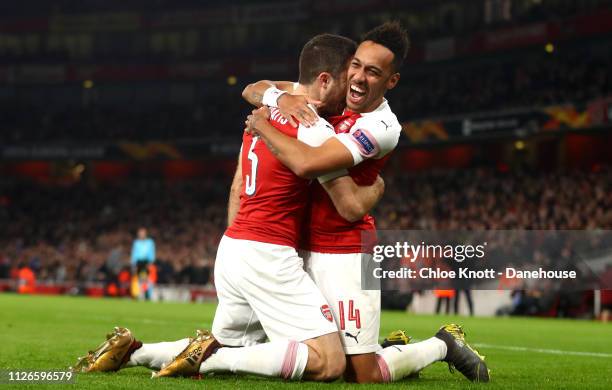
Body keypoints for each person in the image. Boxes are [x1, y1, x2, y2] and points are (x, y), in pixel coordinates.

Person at [72, 34, 384, 382]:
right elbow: (350, 203)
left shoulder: (262, 115)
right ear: (325, 80)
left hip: (235, 245)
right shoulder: (314, 128)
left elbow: (237, 186)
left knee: (226, 343)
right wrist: (377, 184)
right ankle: (206, 363)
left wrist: (239, 250)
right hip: (268, 252)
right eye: (348, 79)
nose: (353, 88)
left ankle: (134, 351)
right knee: (329, 362)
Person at [242, 21, 489, 383]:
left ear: (391, 81)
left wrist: (263, 126)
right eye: (355, 65)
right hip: (303, 247)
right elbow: (252, 88)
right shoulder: (336, 93)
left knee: (364, 376)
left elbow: (332, 188)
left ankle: (442, 344)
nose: (358, 77)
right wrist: (282, 98)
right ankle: (387, 346)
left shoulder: (382, 126)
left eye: (372, 72)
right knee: (320, 359)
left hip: (350, 251)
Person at [130, 227, 155, 300]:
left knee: (145, 278)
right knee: (137, 278)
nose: (141, 234)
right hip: (138, 262)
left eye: (142, 233)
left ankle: (147, 294)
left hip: (146, 262)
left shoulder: (150, 242)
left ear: (145, 234)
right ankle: (136, 294)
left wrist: (151, 262)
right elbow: (134, 253)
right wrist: (133, 263)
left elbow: (152, 252)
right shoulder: (136, 243)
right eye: (140, 233)